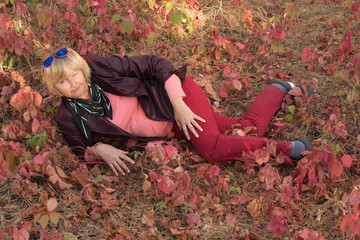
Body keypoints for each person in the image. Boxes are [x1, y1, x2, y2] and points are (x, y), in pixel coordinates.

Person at [41, 47, 314, 176]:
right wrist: (100, 148)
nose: (73, 83)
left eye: (74, 74)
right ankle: (278, 88)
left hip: (176, 99)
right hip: (172, 126)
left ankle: (291, 148)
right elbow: (80, 149)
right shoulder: (68, 116)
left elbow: (155, 64)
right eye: (62, 81)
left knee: (213, 148)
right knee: (247, 129)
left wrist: (178, 103)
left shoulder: (103, 70)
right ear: (55, 87)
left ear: (83, 70)